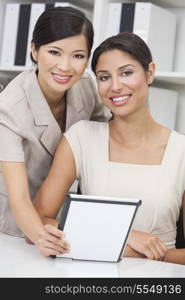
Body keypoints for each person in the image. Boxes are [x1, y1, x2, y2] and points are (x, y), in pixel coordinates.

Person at [34, 32, 185, 264]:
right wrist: (126, 238)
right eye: (104, 77)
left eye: (126, 73)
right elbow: (38, 221)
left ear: (150, 72)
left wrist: (135, 253)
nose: (115, 86)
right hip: (88, 279)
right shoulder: (81, 138)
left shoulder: (181, 151)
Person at [0, 7, 110, 248]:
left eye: (78, 56)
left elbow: (104, 135)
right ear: (34, 50)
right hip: (14, 225)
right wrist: (39, 235)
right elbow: (19, 198)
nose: (65, 67)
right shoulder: (8, 107)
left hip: (61, 219)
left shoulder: (86, 84)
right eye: (54, 52)